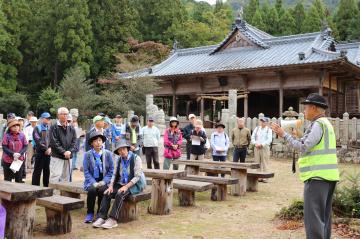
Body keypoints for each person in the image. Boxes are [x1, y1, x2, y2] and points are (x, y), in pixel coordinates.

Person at [271, 93, 339, 239]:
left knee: (313, 220)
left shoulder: (318, 124)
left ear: (314, 108)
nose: (304, 111)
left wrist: (284, 135)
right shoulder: (326, 124)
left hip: (317, 177)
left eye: (306, 107)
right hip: (329, 176)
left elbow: (303, 146)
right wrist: (297, 136)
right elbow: (312, 145)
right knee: (324, 218)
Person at [92, 141, 146, 229]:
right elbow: (114, 174)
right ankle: (101, 217)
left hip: (133, 185)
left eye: (124, 149)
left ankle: (113, 219)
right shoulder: (119, 159)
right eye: (120, 150)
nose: (122, 151)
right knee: (107, 192)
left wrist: (126, 186)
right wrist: (111, 186)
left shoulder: (136, 158)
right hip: (121, 183)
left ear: (128, 149)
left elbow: (137, 176)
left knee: (120, 194)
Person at [83, 131, 114, 223]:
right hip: (92, 181)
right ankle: (90, 212)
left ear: (102, 142)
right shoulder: (87, 154)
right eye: (95, 141)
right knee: (92, 190)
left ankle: (100, 213)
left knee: (102, 190)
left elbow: (111, 170)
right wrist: (94, 182)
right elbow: (86, 171)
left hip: (104, 180)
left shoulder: (108, 154)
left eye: (100, 140)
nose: (98, 142)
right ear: (92, 143)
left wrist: (104, 181)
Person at [49, 107, 77, 183]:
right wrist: (64, 152)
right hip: (57, 156)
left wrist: (69, 151)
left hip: (68, 156)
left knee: (66, 177)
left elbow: (74, 141)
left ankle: (64, 194)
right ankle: (53, 193)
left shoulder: (71, 128)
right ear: (58, 115)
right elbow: (54, 142)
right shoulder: (54, 127)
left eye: (66, 114)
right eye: (63, 114)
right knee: (55, 175)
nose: (65, 116)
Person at [32, 112, 52, 187]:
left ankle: (46, 187)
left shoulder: (49, 128)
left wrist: (50, 148)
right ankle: (34, 188)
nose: (48, 120)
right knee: (37, 171)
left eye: (49, 118)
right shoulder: (37, 128)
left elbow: (52, 140)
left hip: (48, 154)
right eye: (47, 118)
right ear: (42, 119)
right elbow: (38, 140)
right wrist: (46, 149)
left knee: (47, 171)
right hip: (40, 153)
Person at [251, 117, 272, 182]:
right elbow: (253, 137)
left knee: (265, 162)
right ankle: (259, 176)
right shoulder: (257, 129)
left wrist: (262, 144)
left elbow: (269, 139)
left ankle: (265, 177)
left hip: (264, 147)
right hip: (257, 147)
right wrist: (255, 143)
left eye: (264, 121)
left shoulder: (269, 130)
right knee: (257, 162)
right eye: (261, 121)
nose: (262, 122)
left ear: (267, 122)